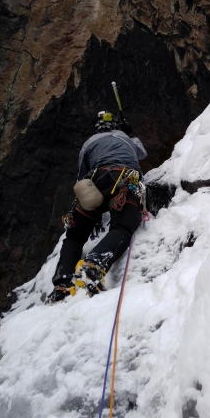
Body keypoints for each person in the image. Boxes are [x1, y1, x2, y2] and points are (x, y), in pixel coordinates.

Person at [47, 111, 147, 303]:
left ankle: (62, 284)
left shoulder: (88, 144)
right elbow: (141, 153)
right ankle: (94, 264)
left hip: (96, 178)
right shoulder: (125, 137)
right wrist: (130, 133)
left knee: (75, 235)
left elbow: (81, 177)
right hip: (125, 177)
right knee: (123, 226)